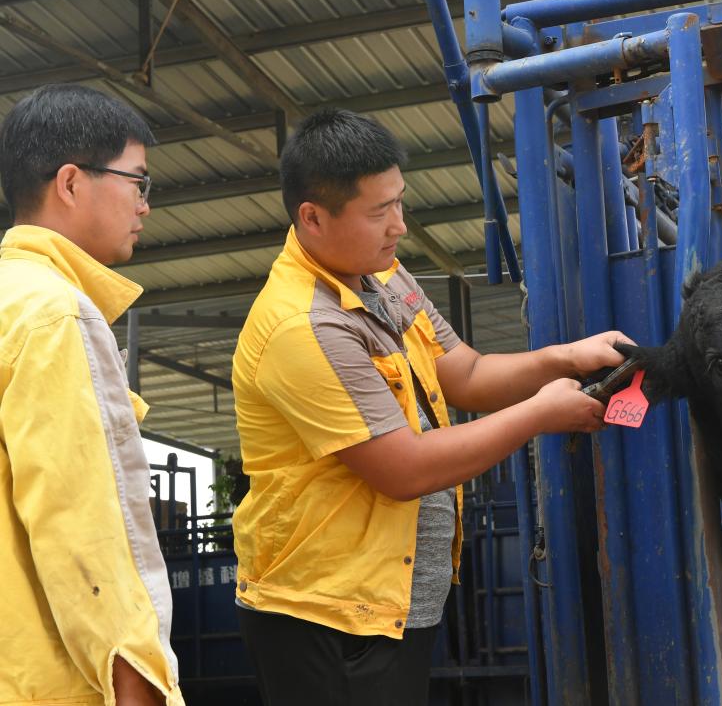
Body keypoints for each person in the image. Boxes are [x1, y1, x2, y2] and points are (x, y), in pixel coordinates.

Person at [231, 108, 630, 705]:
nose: (398, 225)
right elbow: (404, 469)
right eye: (378, 212)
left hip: (388, 603)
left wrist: (566, 358)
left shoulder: (383, 275)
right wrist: (539, 415)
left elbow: (465, 374)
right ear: (312, 217)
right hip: (328, 615)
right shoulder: (305, 325)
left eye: (399, 201)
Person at [0, 85, 183, 706]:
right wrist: (136, 683)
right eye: (138, 182)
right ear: (72, 183)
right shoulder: (57, 315)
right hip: (56, 684)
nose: (145, 205)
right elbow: (84, 527)